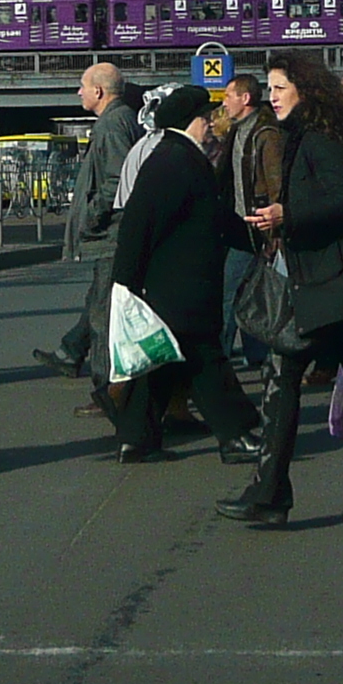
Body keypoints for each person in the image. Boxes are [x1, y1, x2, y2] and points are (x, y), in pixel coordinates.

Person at [219, 52, 343, 529]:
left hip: (330, 285)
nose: (271, 97)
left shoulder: (318, 139)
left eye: (278, 88)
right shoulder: (312, 135)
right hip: (333, 284)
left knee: (282, 375)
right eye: (269, 89)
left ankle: (270, 493)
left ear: (304, 91)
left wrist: (287, 214)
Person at [107, 85, 260, 465]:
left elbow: (214, 217)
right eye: (206, 118)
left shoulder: (176, 158)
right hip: (182, 286)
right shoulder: (175, 161)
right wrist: (125, 284)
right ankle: (235, 435)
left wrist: (253, 237)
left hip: (170, 285)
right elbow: (137, 227)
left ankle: (136, 440)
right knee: (206, 359)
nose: (211, 124)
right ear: (191, 121)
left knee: (159, 367)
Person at [40, 63, 143, 388]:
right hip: (115, 234)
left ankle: (106, 393)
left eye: (82, 86)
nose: (79, 92)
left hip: (111, 234)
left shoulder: (112, 125)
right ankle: (72, 353)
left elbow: (116, 182)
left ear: (98, 91)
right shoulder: (120, 119)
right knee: (99, 303)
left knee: (103, 316)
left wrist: (93, 216)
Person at [220, 73, 289, 378]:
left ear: (245, 99)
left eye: (228, 96)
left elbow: (276, 186)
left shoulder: (265, 134)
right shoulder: (238, 132)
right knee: (249, 292)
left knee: (230, 292)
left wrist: (274, 233)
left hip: (256, 228)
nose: (223, 102)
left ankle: (219, 359)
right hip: (239, 226)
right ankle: (257, 353)